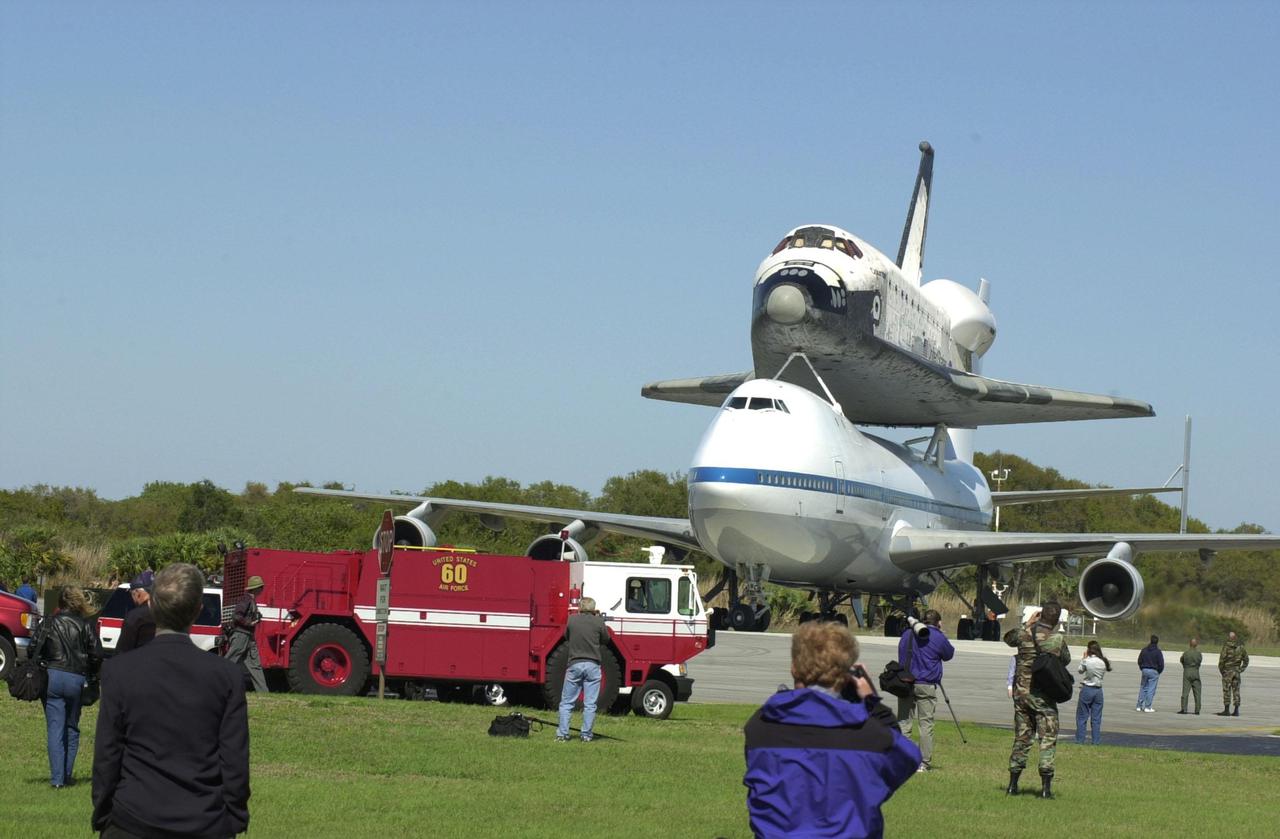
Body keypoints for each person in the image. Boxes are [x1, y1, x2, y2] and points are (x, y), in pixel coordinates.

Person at [92, 563, 250, 837]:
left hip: (133, 818)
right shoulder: (226, 675)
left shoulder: (120, 671)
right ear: (198, 610)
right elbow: (234, 759)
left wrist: (104, 812)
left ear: (152, 607)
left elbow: (107, 754)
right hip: (203, 820)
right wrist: (234, 817)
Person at [744, 621, 919, 838]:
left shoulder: (761, 727)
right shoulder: (868, 736)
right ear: (846, 675)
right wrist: (871, 701)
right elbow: (907, 758)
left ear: (793, 668)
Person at [28, 585, 101, 789]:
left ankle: (57, 780)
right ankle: (67, 775)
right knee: (72, 727)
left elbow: (33, 647)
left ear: (59, 602)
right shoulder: (85, 625)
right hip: (76, 679)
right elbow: (96, 655)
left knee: (55, 728)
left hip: (52, 676)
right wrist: (93, 676)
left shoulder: (49, 622)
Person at [1004, 600, 1070, 799]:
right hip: (1043, 698)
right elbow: (1065, 660)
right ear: (1057, 619)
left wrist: (1028, 625)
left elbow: (1008, 638)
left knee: (1022, 738)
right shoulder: (1056, 639)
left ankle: (1012, 785)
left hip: (1021, 695)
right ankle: (1045, 789)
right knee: (1047, 740)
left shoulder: (1024, 635)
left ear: (1040, 615)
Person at [895, 608, 955, 772]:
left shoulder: (907, 634)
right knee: (926, 724)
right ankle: (923, 763)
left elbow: (901, 654)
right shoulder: (937, 636)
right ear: (938, 622)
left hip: (905, 683)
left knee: (904, 722)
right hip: (926, 684)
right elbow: (949, 654)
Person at [555, 596, 610, 742]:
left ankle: (562, 734)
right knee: (590, 704)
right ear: (593, 608)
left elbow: (566, 636)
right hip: (593, 664)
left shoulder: (572, 620)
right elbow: (606, 639)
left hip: (575, 663)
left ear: (580, 607)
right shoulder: (598, 621)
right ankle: (586, 735)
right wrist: (598, 619)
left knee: (567, 702)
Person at [226, 575, 268, 693]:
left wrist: (256, 618)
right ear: (255, 588)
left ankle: (264, 693)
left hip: (248, 636)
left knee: (255, 665)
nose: (262, 589)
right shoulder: (246, 599)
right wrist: (250, 623)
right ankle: (214, 685)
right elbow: (236, 616)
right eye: (260, 587)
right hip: (241, 635)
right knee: (229, 661)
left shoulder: (251, 600)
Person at [1074, 640, 1111, 744]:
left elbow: (1080, 670)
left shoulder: (1088, 660)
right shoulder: (1103, 661)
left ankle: (1080, 740)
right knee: (1096, 718)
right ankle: (1096, 741)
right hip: (1098, 690)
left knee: (1082, 717)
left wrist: (1084, 658)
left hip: (1087, 688)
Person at [116, 571, 156, 654]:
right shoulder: (167, 613)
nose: (132, 598)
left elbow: (122, 652)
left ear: (138, 593)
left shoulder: (135, 617)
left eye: (131, 594)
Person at [1216, 631, 1249, 716]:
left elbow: (1222, 660)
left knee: (1227, 690)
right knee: (1236, 691)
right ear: (1235, 638)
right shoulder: (1241, 647)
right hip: (1236, 672)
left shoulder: (1226, 647)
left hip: (1228, 671)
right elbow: (1246, 660)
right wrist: (1241, 669)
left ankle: (1226, 710)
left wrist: (1222, 671)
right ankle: (1236, 710)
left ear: (1229, 638)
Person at [1136, 635, 1164, 712]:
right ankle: (1147, 707)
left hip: (1144, 670)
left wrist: (1142, 668)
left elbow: (1139, 660)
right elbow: (1161, 664)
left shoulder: (1144, 650)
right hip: (1154, 671)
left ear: (1150, 641)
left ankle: (1139, 706)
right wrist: (1159, 671)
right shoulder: (1158, 652)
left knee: (1143, 688)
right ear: (1157, 642)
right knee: (1151, 689)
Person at [1178, 638, 1202, 715]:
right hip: (1196, 672)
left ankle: (1184, 709)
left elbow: (1181, 660)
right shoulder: (1199, 654)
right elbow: (1200, 661)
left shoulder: (1186, 653)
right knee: (1197, 692)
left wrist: (1185, 666)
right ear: (1196, 645)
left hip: (1187, 671)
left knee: (1185, 692)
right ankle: (1197, 710)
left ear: (1189, 644)